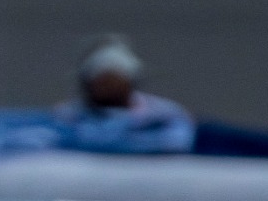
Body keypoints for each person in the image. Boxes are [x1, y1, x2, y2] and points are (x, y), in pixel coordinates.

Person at [55, 35, 195, 154]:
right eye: (101, 82)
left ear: (130, 83)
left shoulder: (164, 115)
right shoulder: (66, 116)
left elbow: (176, 143)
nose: (107, 88)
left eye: (114, 81)